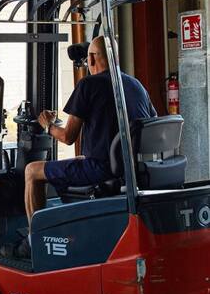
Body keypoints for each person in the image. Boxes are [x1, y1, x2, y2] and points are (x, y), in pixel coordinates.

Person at [25, 36, 157, 225]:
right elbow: (151, 122)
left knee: (32, 171)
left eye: (88, 58)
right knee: (80, 159)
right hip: (129, 168)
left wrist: (48, 125)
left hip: (101, 169)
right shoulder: (135, 85)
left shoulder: (88, 84)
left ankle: (34, 235)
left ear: (92, 59)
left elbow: (68, 137)